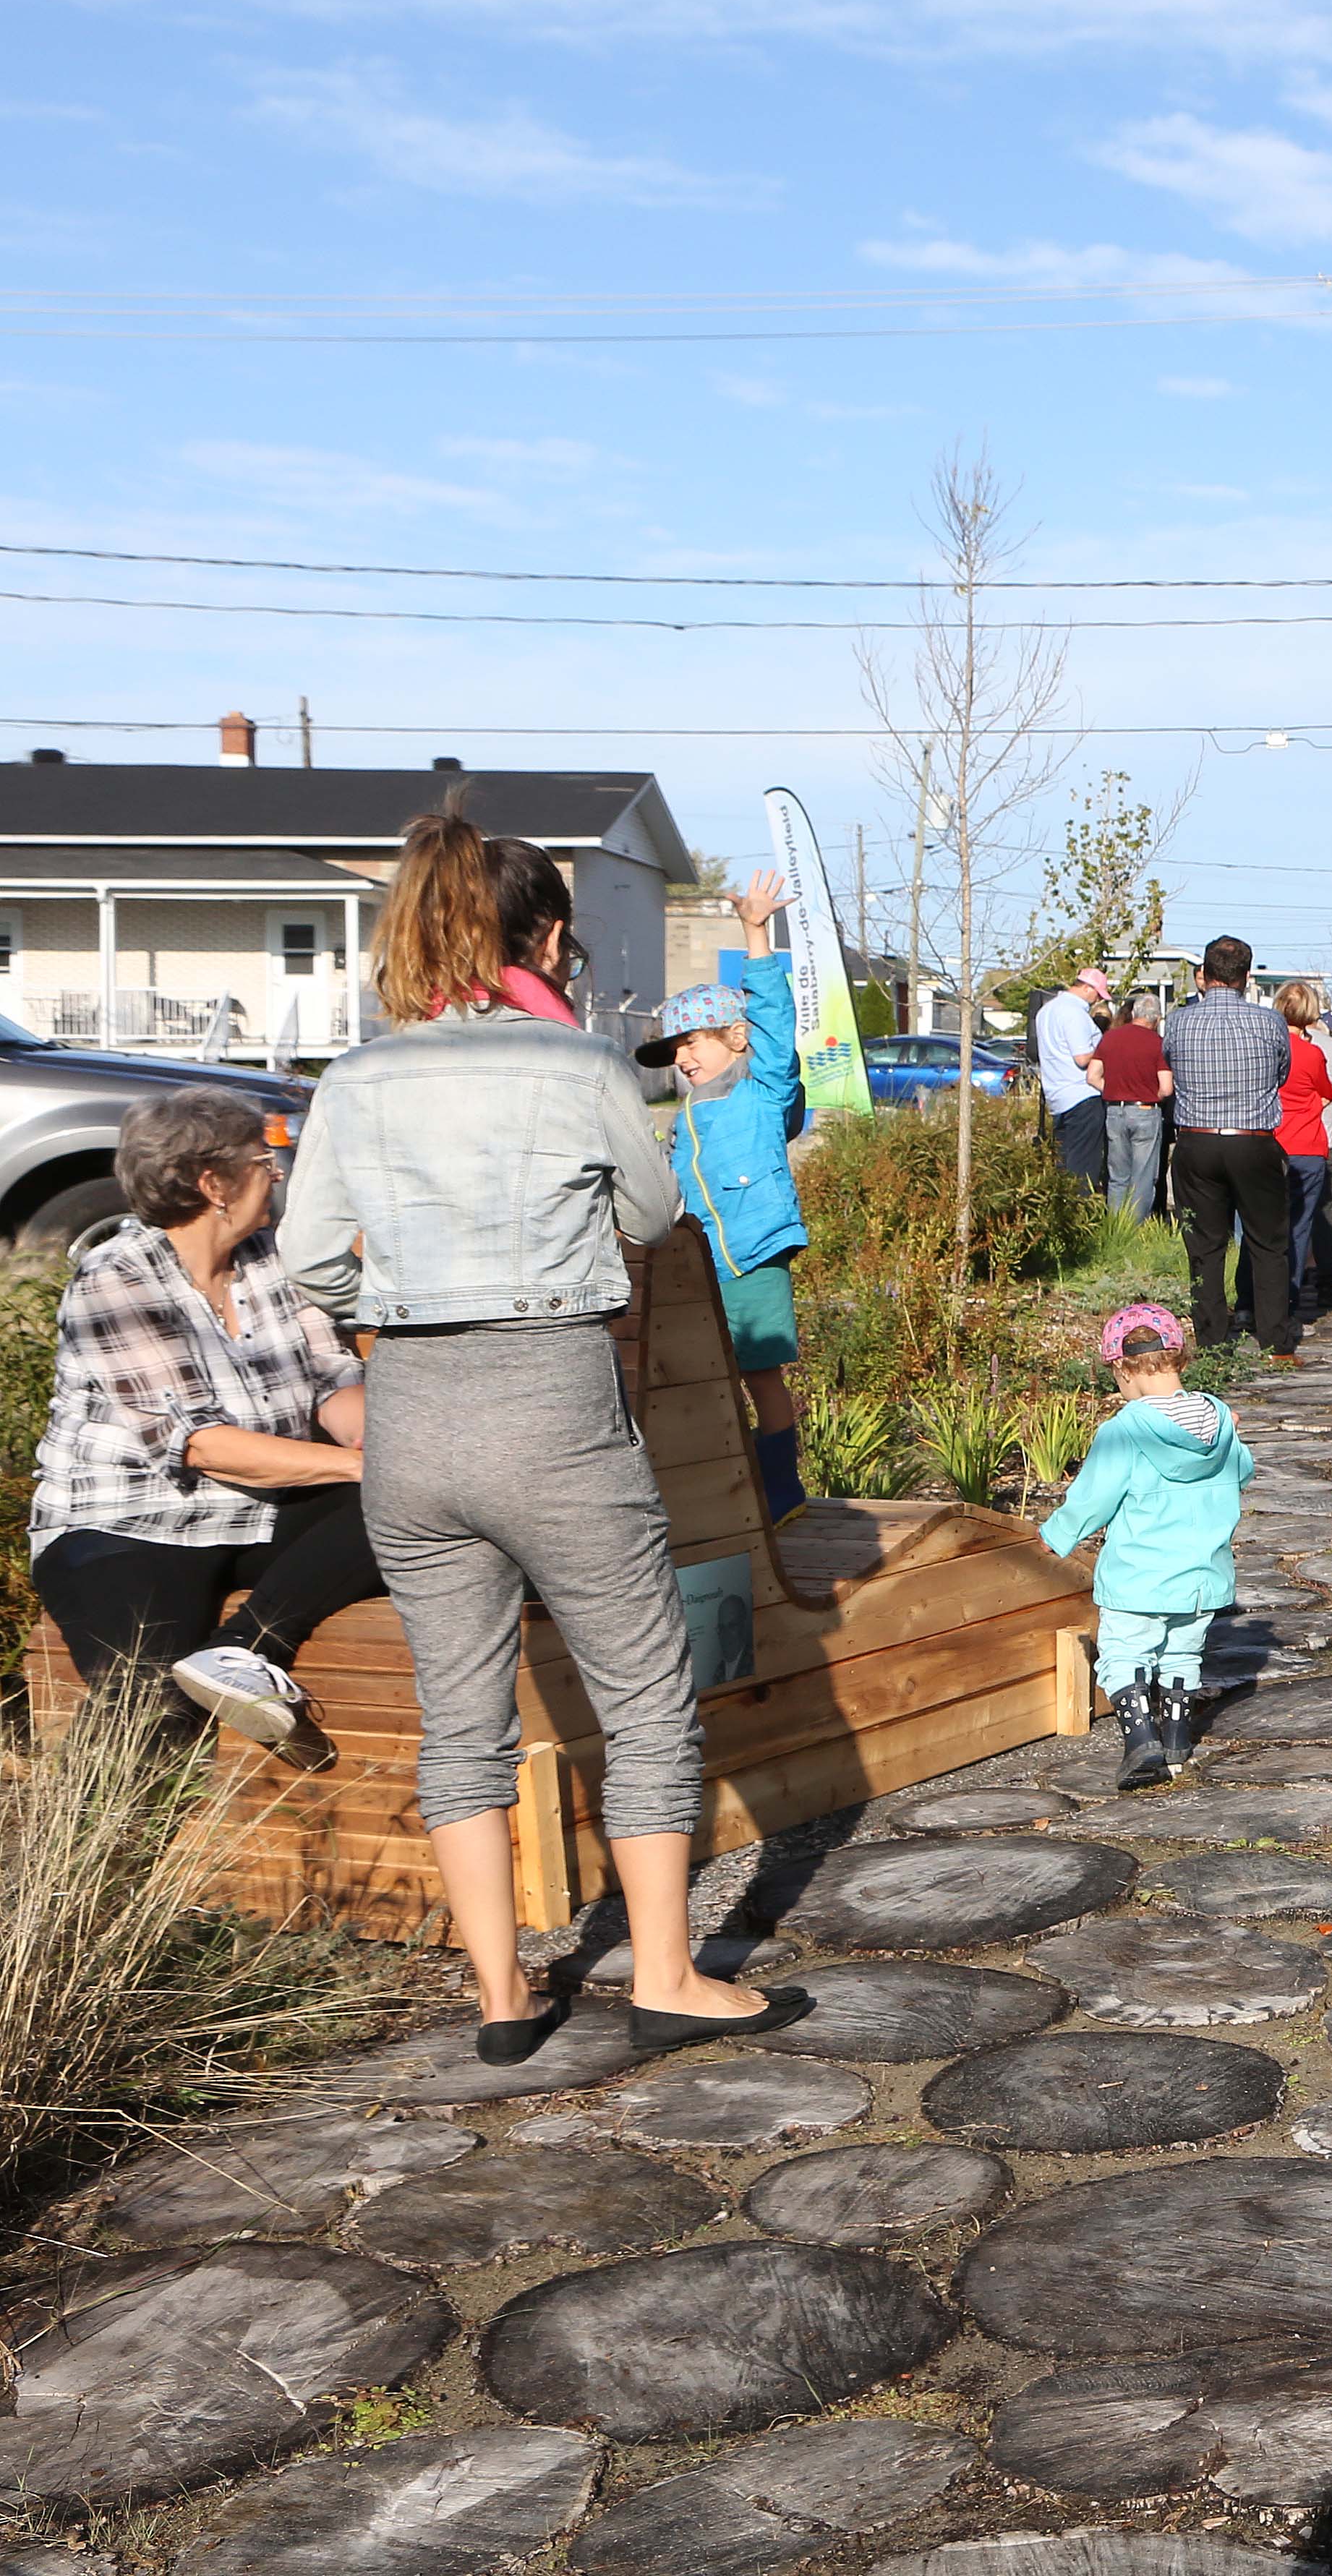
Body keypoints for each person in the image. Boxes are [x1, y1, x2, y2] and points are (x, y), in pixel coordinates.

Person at [281, 813, 801, 2064]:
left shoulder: (356, 1077)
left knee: (459, 1711)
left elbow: (307, 1259)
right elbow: (653, 1206)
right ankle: (667, 1969)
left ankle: (503, 1996)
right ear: (550, 937)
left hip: (413, 1406)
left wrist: (389, 1313)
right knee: (644, 1693)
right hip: (553, 1394)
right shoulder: (577, 1067)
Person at [29, 1089, 378, 1770]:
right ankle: (94, 1863)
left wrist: (389, 1448)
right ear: (213, 1183)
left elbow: (334, 1382)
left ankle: (248, 1652)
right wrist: (364, 1468)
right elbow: (202, 1446)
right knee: (153, 1715)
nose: (275, 1173)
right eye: (262, 1159)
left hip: (261, 1508)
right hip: (125, 1523)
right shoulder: (116, 1278)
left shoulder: (274, 1259)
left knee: (429, 1496)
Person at [636, 873, 812, 1526]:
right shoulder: (685, 1117)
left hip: (756, 1254)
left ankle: (781, 1492)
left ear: (734, 1039)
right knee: (704, 1381)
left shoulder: (761, 1090)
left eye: (693, 1041)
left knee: (759, 1375)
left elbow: (774, 1018)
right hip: (702, 1264)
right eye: (676, 1048)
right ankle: (724, 1489)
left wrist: (755, 932)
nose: (682, 1057)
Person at [1037, 1306, 1252, 1792]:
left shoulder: (1126, 1429)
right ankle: (1177, 1744)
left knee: (1123, 1653)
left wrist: (1056, 1535)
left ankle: (1141, 1741)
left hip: (1139, 1576)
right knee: (1182, 1652)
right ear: (1180, 1360)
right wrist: (1230, 1435)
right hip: (1202, 1577)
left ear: (1123, 1369)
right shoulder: (1218, 1419)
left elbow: (1094, 1496)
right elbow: (1243, 1472)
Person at [1162, 938, 1297, 1371]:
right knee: (1268, 1242)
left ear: (1205, 972)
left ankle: (1213, 1341)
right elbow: (1281, 1074)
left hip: (1197, 1140)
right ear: (1246, 975)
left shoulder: (1178, 1022)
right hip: (1253, 1138)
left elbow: (1170, 1066)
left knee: (1205, 1245)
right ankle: (1275, 1341)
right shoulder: (1269, 1022)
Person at [1272, 980, 1332, 1321]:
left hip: (1271, 1144)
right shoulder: (1312, 1053)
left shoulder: (1267, 1050)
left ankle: (1256, 1298)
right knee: (1301, 1225)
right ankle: (1289, 1297)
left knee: (1267, 1224)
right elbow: (1329, 1092)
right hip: (1307, 1145)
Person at [1030, 963, 1111, 1193]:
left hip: (1058, 1097)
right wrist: (1107, 1048)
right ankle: (1082, 1218)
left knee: (1065, 1165)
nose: (1097, 1000)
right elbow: (1083, 1057)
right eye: (1098, 994)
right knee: (1084, 1169)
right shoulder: (1075, 1013)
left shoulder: (1046, 1011)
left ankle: (1064, 1216)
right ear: (1088, 988)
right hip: (1083, 1097)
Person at [1094, 994, 1169, 1223]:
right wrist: (1151, 1095)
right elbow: (1166, 1088)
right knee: (1143, 1177)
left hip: (1115, 1111)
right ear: (1156, 1019)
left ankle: (1116, 1227)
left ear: (1134, 1015)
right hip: (1146, 1110)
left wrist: (1114, 1090)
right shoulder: (1158, 1044)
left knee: (1117, 1177)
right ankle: (1135, 1230)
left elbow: (1092, 1076)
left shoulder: (1110, 1039)